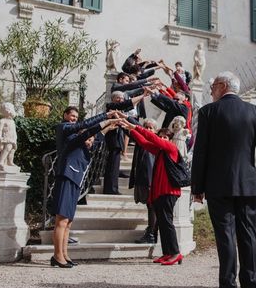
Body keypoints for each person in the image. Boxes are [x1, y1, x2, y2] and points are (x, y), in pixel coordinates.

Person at [192, 71, 256, 288]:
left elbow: (201, 152)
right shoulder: (255, 112)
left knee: (225, 235)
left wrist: (197, 187)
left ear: (222, 86)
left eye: (212, 87)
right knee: (249, 234)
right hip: (248, 184)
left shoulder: (209, 112)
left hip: (218, 184)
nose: (211, 91)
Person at [51, 109, 120, 268]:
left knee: (68, 222)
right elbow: (87, 131)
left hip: (75, 182)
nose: (90, 141)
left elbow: (98, 137)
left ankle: (64, 254)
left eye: (91, 140)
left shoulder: (85, 145)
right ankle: (57, 255)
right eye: (88, 139)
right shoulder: (71, 138)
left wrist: (111, 126)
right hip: (66, 178)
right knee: (61, 220)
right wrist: (106, 118)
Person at [122, 122, 183, 265]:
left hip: (169, 192)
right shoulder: (160, 151)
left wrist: (135, 126)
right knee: (162, 223)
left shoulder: (171, 148)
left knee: (167, 223)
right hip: (160, 192)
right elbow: (144, 142)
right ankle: (167, 253)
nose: (162, 139)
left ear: (170, 139)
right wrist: (128, 128)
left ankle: (175, 253)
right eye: (161, 136)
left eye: (165, 137)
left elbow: (152, 138)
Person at [130, 118, 159, 244]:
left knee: (152, 206)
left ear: (155, 130)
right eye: (146, 127)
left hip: (151, 180)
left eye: (151, 128)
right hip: (142, 178)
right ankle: (151, 231)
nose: (148, 130)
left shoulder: (155, 143)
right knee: (149, 206)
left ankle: (152, 233)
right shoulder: (141, 142)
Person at [0, 102, 17, 167]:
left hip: (13, 138)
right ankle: (1, 161)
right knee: (8, 148)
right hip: (6, 137)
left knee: (12, 150)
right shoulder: (2, 121)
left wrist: (15, 137)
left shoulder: (12, 121)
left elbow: (14, 131)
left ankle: (10, 162)